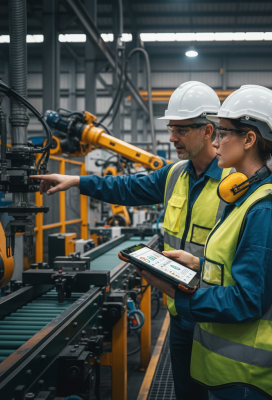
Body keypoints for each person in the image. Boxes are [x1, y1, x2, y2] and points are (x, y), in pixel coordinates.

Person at [31, 81, 234, 400]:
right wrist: (76, 181)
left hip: (219, 313)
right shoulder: (174, 175)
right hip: (181, 312)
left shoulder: (234, 183)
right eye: (171, 128)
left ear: (208, 131)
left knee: (221, 391)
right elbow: (125, 187)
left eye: (180, 130)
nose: (171, 138)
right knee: (188, 392)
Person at [135, 85, 272, 400]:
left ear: (249, 139)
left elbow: (248, 300)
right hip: (234, 372)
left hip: (251, 379)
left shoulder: (264, 209)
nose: (215, 142)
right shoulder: (248, 196)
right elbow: (242, 267)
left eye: (223, 133)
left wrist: (177, 293)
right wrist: (198, 264)